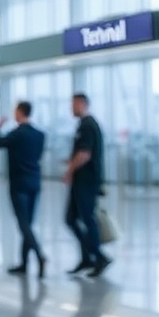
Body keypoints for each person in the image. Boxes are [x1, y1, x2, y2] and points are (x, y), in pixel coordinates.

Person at [0, 101, 46, 277]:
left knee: (23, 223)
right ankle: (24, 263)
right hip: (35, 182)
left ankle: (39, 255)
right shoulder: (39, 135)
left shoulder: (17, 134)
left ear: (20, 112)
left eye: (15, 111)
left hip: (19, 184)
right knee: (28, 224)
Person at [64, 93, 112, 278]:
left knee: (87, 218)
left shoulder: (88, 125)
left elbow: (85, 154)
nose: (71, 108)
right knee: (71, 218)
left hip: (87, 181)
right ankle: (87, 257)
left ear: (82, 104)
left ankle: (99, 257)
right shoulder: (83, 125)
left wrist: (69, 171)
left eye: (73, 104)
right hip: (80, 180)